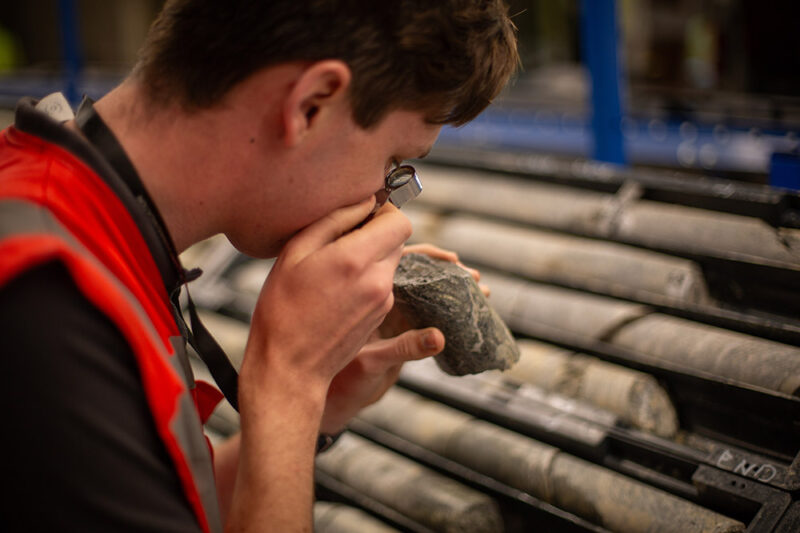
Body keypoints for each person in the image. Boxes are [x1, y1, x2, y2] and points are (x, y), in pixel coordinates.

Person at [0, 1, 518, 531]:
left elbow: (172, 507)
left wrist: (316, 409)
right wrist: (289, 380)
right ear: (311, 105)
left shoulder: (71, 212)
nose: (384, 202)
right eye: (393, 165)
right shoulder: (47, 300)